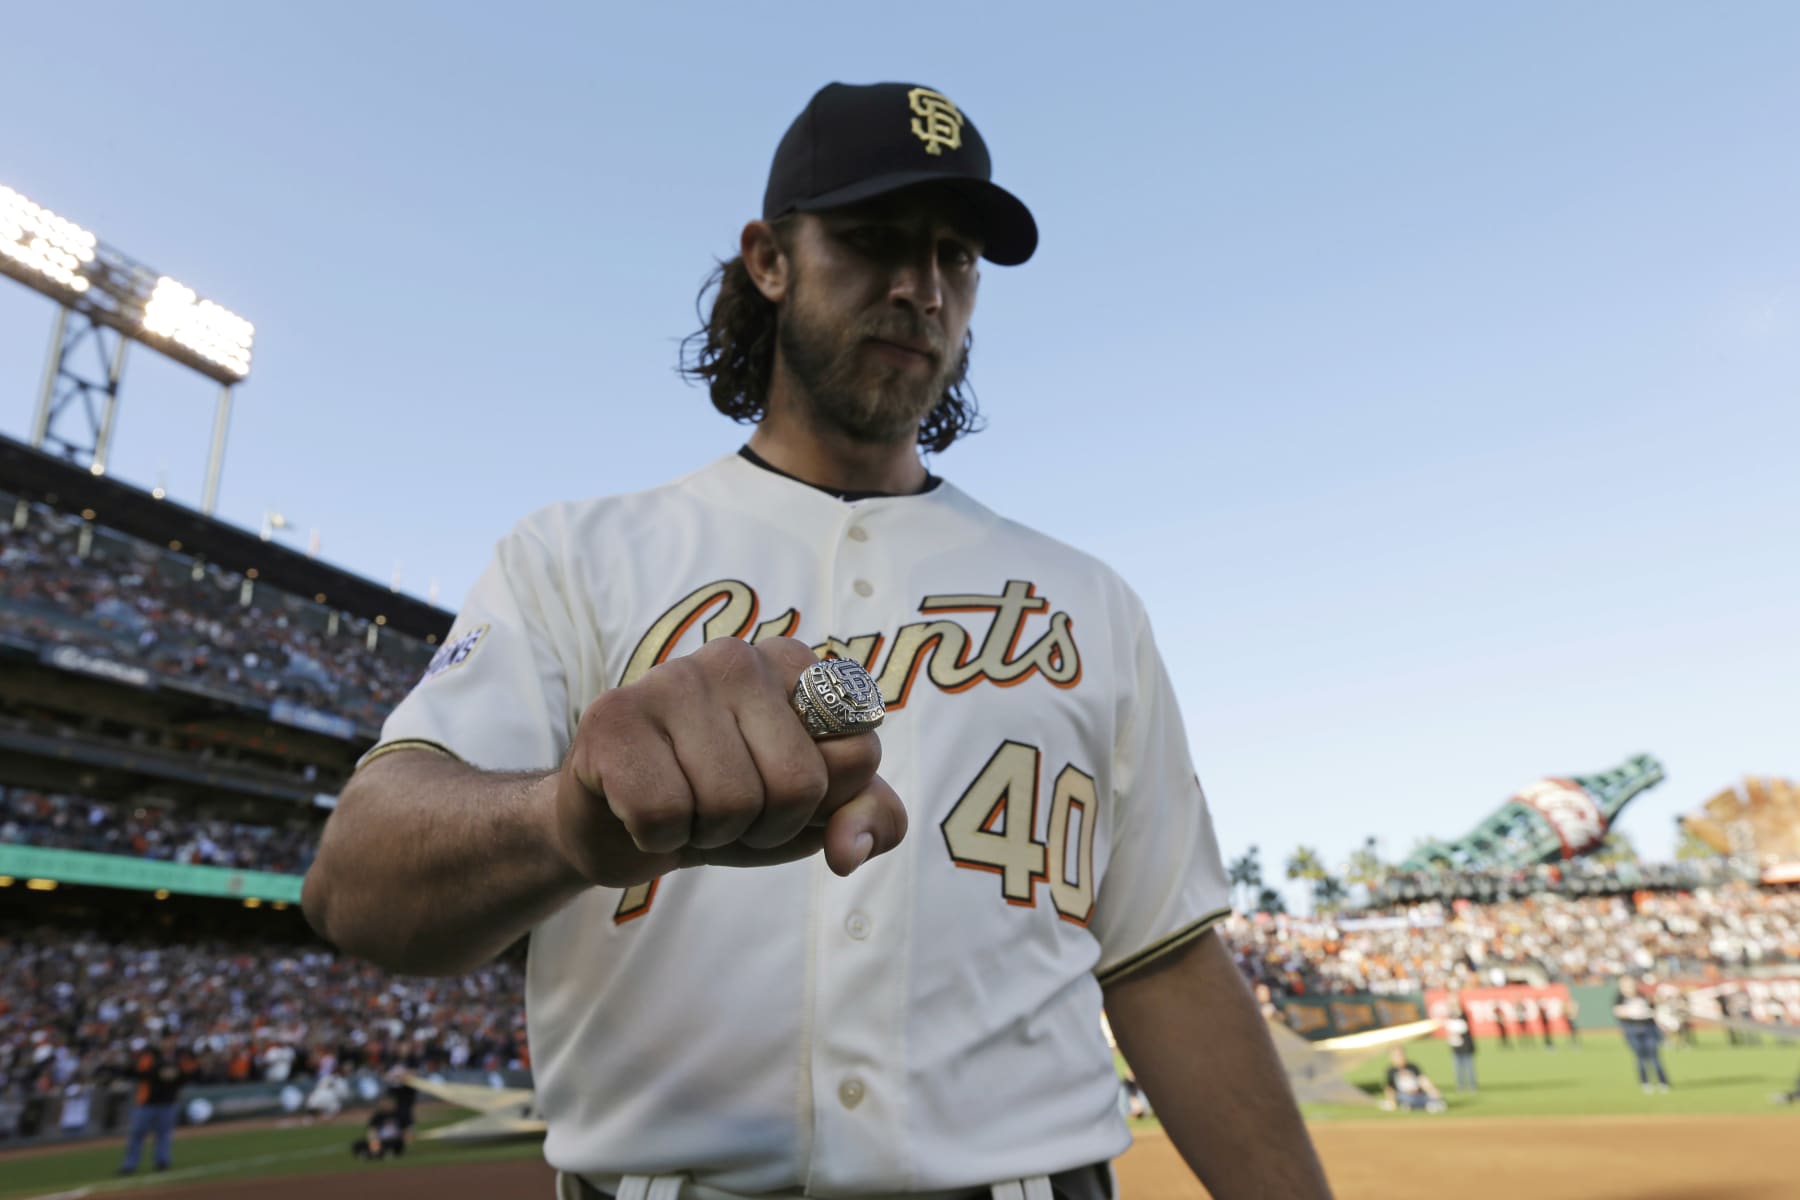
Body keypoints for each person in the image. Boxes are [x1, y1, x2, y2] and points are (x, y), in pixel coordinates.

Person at [303, 80, 1332, 1200]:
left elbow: (1163, 956)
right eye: (873, 239)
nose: (920, 288)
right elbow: (356, 886)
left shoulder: (1088, 601)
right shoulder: (578, 555)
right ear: (769, 260)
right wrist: (562, 820)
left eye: (954, 257)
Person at [117, 1035, 197, 1175]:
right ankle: (130, 1165)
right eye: (164, 1040)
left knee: (163, 1134)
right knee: (137, 1134)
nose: (167, 1043)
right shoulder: (150, 1056)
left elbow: (188, 1075)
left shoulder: (179, 1057)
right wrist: (160, 1072)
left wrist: (174, 1075)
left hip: (168, 1102)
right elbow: (139, 1073)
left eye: (169, 1040)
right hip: (147, 1102)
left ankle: (162, 1162)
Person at [1613, 976, 1671, 1094]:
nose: (1630, 987)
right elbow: (1618, 1012)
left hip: (1649, 1027)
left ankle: (1663, 1082)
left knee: (1654, 1056)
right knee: (1640, 1057)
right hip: (1632, 1029)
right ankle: (1645, 1082)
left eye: (1631, 984)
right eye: (1626, 985)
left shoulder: (1643, 996)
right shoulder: (1619, 998)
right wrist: (1633, 1012)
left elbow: (1653, 1008)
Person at [1380, 1048, 1445, 1113]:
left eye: (1401, 1055)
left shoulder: (1413, 1067)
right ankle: (1426, 1105)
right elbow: (1390, 1088)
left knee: (1431, 1096)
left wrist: (1432, 1090)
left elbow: (1423, 1080)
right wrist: (1391, 1101)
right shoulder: (1391, 1071)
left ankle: (1425, 1104)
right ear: (1392, 1057)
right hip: (1403, 1095)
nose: (1400, 1058)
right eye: (1397, 1056)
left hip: (1418, 1094)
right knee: (1406, 1098)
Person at [352, 1096, 408, 1160]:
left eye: (388, 1103)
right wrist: (373, 1139)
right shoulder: (378, 1116)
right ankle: (377, 1153)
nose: (386, 1105)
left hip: (394, 1139)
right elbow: (372, 1130)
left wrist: (403, 1136)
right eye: (385, 1103)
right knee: (358, 1143)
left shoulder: (399, 1115)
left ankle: (374, 1153)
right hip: (380, 1139)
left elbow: (406, 1131)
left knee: (396, 1143)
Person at [1445, 999, 1478, 1092]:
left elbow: (1463, 1019)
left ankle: (1472, 1085)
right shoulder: (1450, 1018)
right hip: (1456, 1048)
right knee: (1457, 1069)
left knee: (1469, 1068)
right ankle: (1460, 1085)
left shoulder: (1463, 1017)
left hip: (1466, 1048)